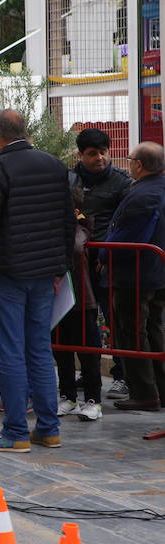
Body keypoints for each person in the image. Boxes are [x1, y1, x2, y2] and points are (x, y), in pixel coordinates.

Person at [0, 109, 74, 453]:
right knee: (40, 350)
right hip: (46, 270)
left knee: (11, 352)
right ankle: (48, 428)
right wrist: (61, 267)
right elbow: (67, 220)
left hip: (8, 269)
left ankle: (15, 432)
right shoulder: (54, 165)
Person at [68, 128, 133, 400]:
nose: (100, 158)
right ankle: (88, 372)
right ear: (80, 155)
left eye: (104, 152)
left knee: (114, 319)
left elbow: (125, 222)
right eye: (93, 154)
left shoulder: (122, 182)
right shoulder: (69, 179)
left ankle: (121, 376)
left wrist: (108, 256)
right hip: (78, 262)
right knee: (82, 322)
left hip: (108, 262)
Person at [106, 142, 165, 412]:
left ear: (139, 165)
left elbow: (127, 238)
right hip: (156, 273)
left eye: (130, 159)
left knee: (133, 333)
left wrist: (105, 256)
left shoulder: (142, 195)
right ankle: (159, 389)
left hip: (137, 275)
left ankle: (144, 392)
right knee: (153, 328)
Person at [53, 187, 103, 421]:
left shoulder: (81, 227)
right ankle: (68, 396)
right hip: (58, 303)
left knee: (88, 353)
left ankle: (94, 400)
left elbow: (74, 246)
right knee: (61, 352)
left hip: (83, 301)